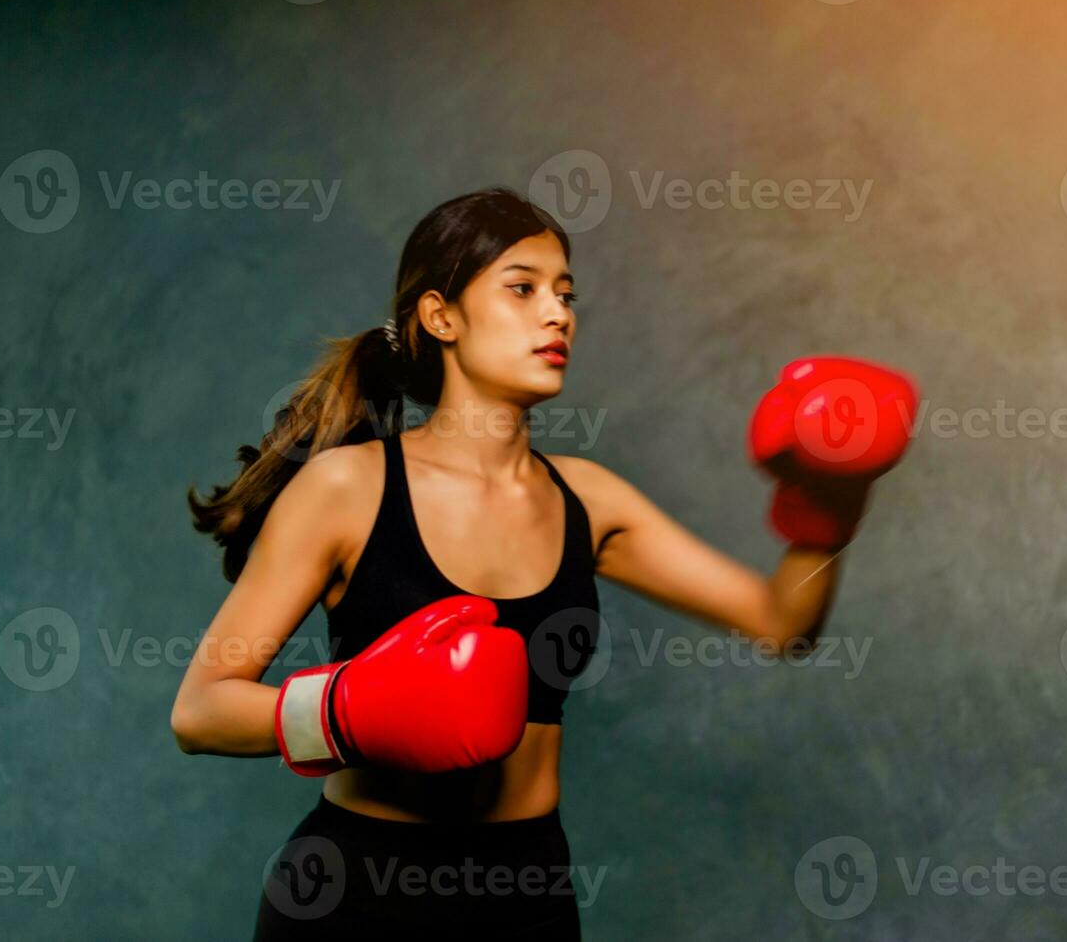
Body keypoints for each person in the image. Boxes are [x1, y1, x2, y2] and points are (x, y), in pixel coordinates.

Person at [169, 187, 917, 939]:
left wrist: (828, 502)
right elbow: (200, 711)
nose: (557, 314)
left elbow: (781, 620)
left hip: (525, 891)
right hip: (354, 892)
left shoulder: (588, 500)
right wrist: (350, 712)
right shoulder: (349, 487)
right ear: (441, 317)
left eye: (564, 294)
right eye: (521, 288)